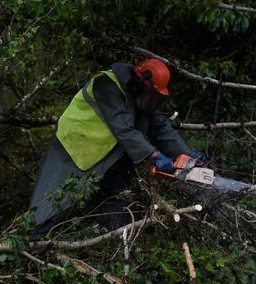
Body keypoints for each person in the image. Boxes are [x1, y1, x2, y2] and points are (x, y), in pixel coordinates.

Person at [28, 58, 207, 236]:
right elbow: (123, 129)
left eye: (157, 98)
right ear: (141, 83)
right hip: (74, 146)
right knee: (54, 201)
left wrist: (188, 155)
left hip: (109, 154)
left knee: (117, 195)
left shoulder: (141, 99)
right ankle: (32, 239)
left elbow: (162, 129)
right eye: (153, 95)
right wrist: (154, 155)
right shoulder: (106, 85)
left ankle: (109, 239)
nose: (153, 101)